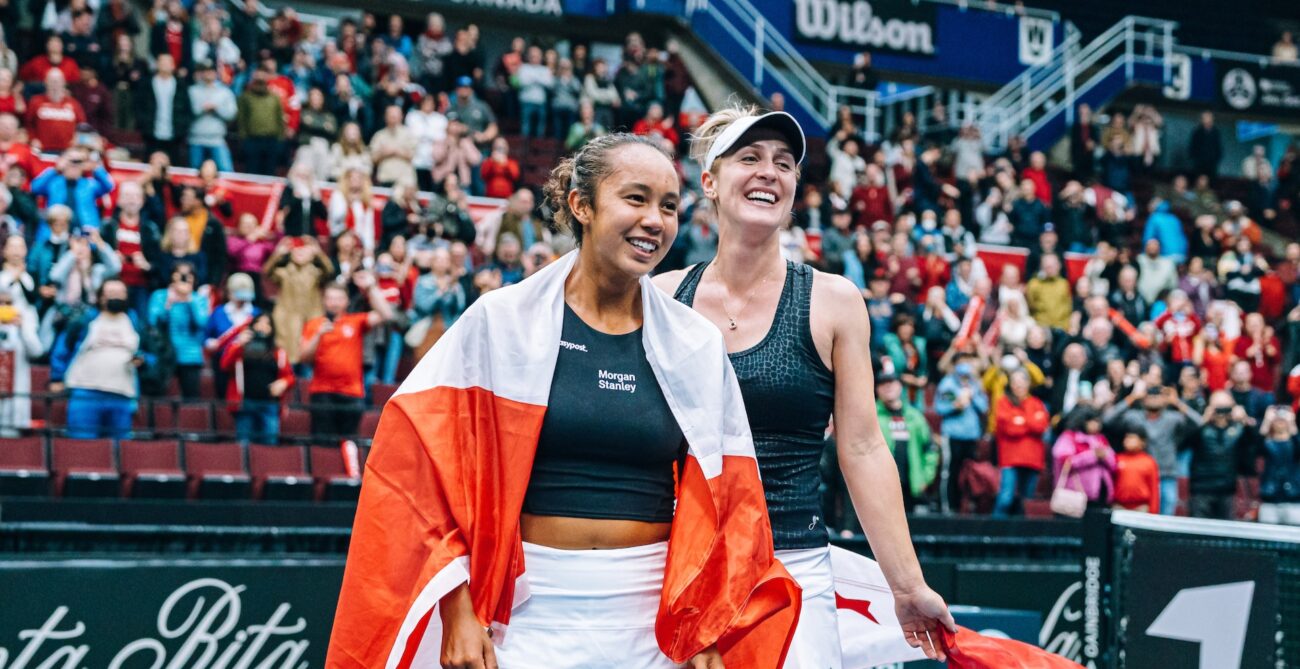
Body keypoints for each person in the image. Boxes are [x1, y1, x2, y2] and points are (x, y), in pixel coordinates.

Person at [328, 132, 800, 669]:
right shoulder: (500, 320)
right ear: (582, 206)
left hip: (654, 621)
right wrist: (458, 611)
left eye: (669, 206)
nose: (656, 220)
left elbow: (731, 502)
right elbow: (419, 471)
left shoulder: (695, 342)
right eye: (636, 198)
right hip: (526, 613)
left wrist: (707, 627)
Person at [655, 107, 954, 665]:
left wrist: (908, 586)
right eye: (749, 158)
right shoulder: (663, 298)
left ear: (795, 191)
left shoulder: (834, 301)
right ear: (710, 182)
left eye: (784, 164)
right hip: (676, 564)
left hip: (791, 564)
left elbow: (862, 448)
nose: (769, 171)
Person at [300, 277, 394, 437]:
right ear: (323, 300)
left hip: (351, 392)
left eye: (338, 299)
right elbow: (303, 357)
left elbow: (386, 315)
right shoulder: (314, 324)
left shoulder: (355, 321)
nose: (334, 303)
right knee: (323, 447)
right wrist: (318, 335)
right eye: (330, 298)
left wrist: (371, 288)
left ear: (347, 301)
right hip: (322, 392)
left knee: (349, 444)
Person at [49, 279, 142, 439]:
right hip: (85, 392)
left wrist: (143, 360)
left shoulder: (135, 322)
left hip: (122, 394)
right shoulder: (85, 319)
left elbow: (151, 351)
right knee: (84, 448)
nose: (116, 297)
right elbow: (63, 347)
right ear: (100, 297)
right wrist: (57, 376)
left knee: (119, 451)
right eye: (111, 293)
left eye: (120, 294)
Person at [220, 312, 294, 445]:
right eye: (259, 322)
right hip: (245, 403)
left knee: (270, 443)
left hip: (270, 404)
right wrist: (239, 344)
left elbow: (289, 376)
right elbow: (225, 365)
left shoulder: (278, 352)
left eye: (267, 324)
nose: (262, 327)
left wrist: (283, 382)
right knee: (244, 444)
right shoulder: (240, 349)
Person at [263, 237, 333, 366]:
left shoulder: (316, 273)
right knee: (288, 354)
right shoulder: (284, 273)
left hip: (311, 317)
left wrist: (319, 253)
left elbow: (329, 271)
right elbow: (267, 271)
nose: (300, 254)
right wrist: (277, 254)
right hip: (287, 317)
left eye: (305, 251)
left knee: (310, 353)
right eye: (296, 251)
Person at [875, 371, 939, 513]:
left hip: (911, 486)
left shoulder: (914, 416)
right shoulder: (872, 415)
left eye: (891, 382)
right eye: (883, 383)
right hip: (880, 487)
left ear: (900, 386)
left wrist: (925, 478)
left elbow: (931, 448)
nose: (888, 387)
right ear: (877, 389)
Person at [934, 354, 989, 512]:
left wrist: (972, 397)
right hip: (953, 435)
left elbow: (984, 407)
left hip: (971, 435)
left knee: (971, 473)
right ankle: (949, 507)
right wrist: (956, 405)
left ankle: (969, 506)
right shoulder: (947, 384)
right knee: (951, 471)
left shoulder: (975, 384)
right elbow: (940, 408)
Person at [148, 261, 210, 400]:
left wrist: (189, 300)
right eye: (179, 275)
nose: (183, 279)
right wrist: (168, 303)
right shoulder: (160, 295)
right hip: (164, 354)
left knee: (191, 400)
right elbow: (153, 322)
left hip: (190, 356)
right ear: (171, 276)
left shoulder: (199, 299)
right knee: (158, 399)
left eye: (187, 275)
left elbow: (202, 323)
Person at [992, 369, 1050, 517]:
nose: (1018, 386)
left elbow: (1041, 426)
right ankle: (994, 534)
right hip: (1010, 458)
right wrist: (1030, 421)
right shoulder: (1003, 402)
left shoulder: (1036, 403)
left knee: (1027, 503)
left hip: (1032, 460)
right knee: (1006, 498)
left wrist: (1020, 420)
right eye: (1015, 382)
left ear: (1028, 384)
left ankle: (1021, 537)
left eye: (1022, 382)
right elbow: (1009, 428)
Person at [1191, 392, 1248, 520]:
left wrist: (1245, 422)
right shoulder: (1203, 428)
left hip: (1227, 488)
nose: (1221, 412)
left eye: (1225, 407)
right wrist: (1202, 421)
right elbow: (1184, 443)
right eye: (1218, 407)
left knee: (1227, 533)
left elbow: (1252, 450)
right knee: (1199, 534)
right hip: (1202, 488)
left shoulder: (1238, 428)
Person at [1051, 406, 1116, 510]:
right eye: (1092, 422)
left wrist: (1105, 457)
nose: (1096, 425)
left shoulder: (1101, 439)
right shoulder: (1069, 437)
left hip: (1100, 493)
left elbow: (1113, 464)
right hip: (1075, 494)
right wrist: (1093, 456)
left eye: (1098, 422)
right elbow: (1065, 462)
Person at [0, 291, 44, 436]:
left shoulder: (21, 328)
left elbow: (37, 351)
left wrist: (23, 327)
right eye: (1, 303)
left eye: (8, 303)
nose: (4, 307)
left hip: (13, 402)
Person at [136, 53, 190, 165]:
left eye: (168, 62)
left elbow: (187, 109)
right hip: (151, 135)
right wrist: (144, 125)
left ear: (173, 66)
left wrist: (182, 128)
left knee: (173, 168)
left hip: (174, 136)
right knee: (150, 165)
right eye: (162, 62)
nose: (165, 65)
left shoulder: (180, 85)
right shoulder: (147, 83)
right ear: (157, 64)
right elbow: (138, 106)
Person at [188, 59, 237, 171]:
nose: (207, 74)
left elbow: (232, 114)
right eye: (204, 71)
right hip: (196, 138)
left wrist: (217, 109)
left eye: (210, 71)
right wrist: (202, 109)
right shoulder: (192, 91)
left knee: (226, 171)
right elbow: (187, 113)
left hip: (217, 139)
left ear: (216, 73)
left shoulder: (225, 92)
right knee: (194, 172)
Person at [1259, 405, 1300, 525]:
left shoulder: (1295, 443)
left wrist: (1292, 424)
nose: (1280, 420)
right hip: (1269, 500)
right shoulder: (1265, 443)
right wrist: (1266, 422)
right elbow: (1253, 449)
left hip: (1293, 500)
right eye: (1277, 418)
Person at [1111, 425, 1161, 513]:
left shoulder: (1149, 461)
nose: (1127, 441)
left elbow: (1154, 489)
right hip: (1119, 506)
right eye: (1126, 438)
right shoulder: (1117, 459)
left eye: (1132, 438)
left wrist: (1153, 512)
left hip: (1141, 507)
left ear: (1142, 442)